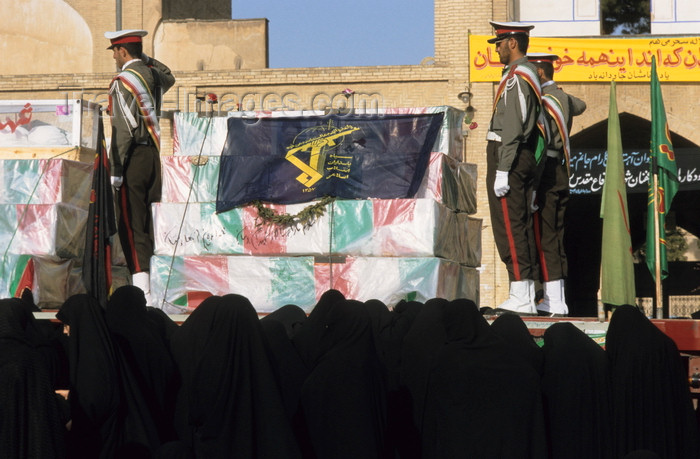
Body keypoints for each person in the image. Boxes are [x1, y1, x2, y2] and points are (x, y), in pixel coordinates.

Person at [104, 29, 175, 303]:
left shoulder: (123, 81)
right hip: (153, 157)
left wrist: (116, 171)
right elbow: (169, 74)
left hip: (131, 159)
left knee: (132, 224)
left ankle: (142, 290)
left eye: (116, 52)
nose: (114, 58)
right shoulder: (152, 76)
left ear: (122, 51)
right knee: (152, 220)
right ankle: (155, 285)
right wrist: (142, 55)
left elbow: (123, 130)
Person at [485, 22, 548, 314]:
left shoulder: (518, 77)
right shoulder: (524, 75)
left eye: (498, 43)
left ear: (512, 42)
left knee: (509, 227)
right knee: (517, 226)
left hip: (507, 154)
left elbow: (513, 127)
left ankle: (521, 293)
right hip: (517, 156)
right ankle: (523, 291)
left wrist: (502, 168)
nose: (496, 48)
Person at [528, 52, 587, 317]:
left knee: (545, 235)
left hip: (547, 173)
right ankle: (558, 298)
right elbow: (581, 105)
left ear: (540, 74)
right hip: (563, 173)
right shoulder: (561, 98)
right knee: (557, 235)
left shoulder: (544, 102)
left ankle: (552, 299)